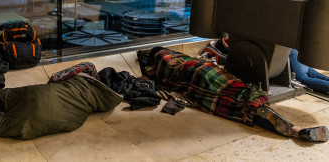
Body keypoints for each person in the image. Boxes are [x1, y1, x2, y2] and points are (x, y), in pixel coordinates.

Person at [138, 47, 328, 142]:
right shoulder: (183, 57)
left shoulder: (164, 59)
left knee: (238, 108)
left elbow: (168, 74)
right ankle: (297, 130)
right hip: (213, 73)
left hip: (199, 76)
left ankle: (296, 130)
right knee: (244, 94)